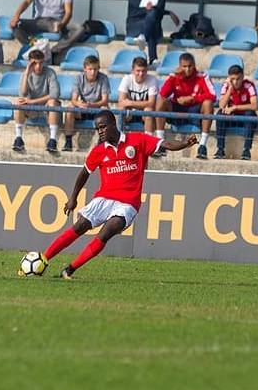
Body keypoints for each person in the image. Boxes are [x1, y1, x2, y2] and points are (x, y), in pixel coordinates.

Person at [24, 110, 198, 279]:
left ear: (114, 125)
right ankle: (43, 259)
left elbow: (165, 144)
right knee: (80, 225)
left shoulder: (136, 140)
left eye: (103, 127)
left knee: (108, 231)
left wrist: (184, 143)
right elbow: (84, 173)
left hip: (128, 202)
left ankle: (70, 269)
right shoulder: (99, 151)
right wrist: (73, 198)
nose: (100, 131)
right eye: (97, 129)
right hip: (104, 198)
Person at [154, 53, 216, 159]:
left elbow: (213, 95)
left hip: (195, 110)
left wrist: (192, 98)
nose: (188, 69)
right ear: (180, 66)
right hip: (178, 109)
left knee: (208, 103)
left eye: (190, 66)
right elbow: (163, 94)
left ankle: (202, 145)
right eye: (184, 66)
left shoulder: (202, 76)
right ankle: (161, 144)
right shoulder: (175, 77)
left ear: (194, 65)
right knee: (161, 102)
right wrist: (173, 75)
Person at [126, 0, 179, 64]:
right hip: (135, 26)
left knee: (152, 16)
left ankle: (143, 37)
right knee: (151, 23)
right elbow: (138, 8)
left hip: (151, 27)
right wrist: (167, 12)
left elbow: (159, 14)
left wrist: (164, 12)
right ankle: (153, 59)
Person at [12, 49, 61, 154]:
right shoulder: (26, 74)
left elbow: (55, 94)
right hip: (31, 109)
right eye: (35, 63)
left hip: (47, 108)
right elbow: (22, 94)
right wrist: (26, 73)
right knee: (18, 102)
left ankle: (52, 140)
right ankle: (18, 139)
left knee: (52, 102)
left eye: (41, 63)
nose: (38, 66)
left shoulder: (50, 72)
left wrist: (32, 102)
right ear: (30, 63)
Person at [62, 56, 110, 152]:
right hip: (83, 109)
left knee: (105, 109)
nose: (93, 72)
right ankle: (68, 142)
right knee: (69, 109)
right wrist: (80, 104)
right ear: (85, 68)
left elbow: (105, 100)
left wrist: (91, 105)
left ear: (99, 68)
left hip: (97, 109)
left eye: (95, 69)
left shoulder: (104, 78)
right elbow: (74, 100)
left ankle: (102, 140)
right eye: (90, 69)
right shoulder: (78, 78)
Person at [214, 64, 258, 161]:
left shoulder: (249, 85)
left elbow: (255, 105)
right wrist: (230, 89)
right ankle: (220, 149)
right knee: (220, 114)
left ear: (242, 77)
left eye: (238, 79)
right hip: (232, 118)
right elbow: (221, 105)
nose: (235, 82)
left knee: (250, 115)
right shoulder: (226, 86)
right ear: (229, 78)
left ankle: (246, 150)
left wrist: (235, 107)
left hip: (245, 117)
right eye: (232, 79)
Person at [117, 57, 159, 134]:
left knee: (148, 110)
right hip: (129, 114)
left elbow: (152, 103)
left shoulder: (152, 80)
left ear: (147, 70)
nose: (141, 74)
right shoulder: (127, 79)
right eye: (138, 71)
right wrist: (142, 104)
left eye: (143, 71)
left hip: (145, 114)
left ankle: (148, 140)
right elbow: (121, 101)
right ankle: (118, 138)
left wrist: (130, 103)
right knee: (120, 109)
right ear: (132, 70)